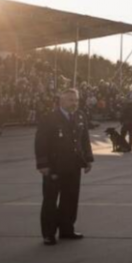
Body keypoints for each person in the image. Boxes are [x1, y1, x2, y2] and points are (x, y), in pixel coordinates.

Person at [34, 88, 93, 245]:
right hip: (55, 165)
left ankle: (67, 229)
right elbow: (40, 143)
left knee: (70, 198)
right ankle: (49, 233)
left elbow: (84, 139)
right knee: (51, 200)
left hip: (74, 164)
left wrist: (88, 159)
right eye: (70, 100)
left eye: (76, 100)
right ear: (61, 101)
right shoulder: (49, 118)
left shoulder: (80, 116)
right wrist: (43, 164)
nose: (74, 103)